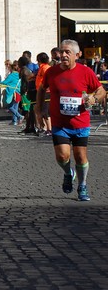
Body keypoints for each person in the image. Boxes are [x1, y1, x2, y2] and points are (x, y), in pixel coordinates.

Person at [35, 39, 106, 202]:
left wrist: (94, 99)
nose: (63, 55)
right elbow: (41, 89)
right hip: (60, 124)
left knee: (80, 157)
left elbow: (101, 90)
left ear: (77, 55)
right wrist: (38, 109)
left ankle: (82, 185)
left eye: (68, 52)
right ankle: (68, 173)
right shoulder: (52, 72)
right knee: (62, 156)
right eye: (62, 52)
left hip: (80, 123)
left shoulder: (86, 72)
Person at [0, 60, 23, 125]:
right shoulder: (19, 75)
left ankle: (19, 116)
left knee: (10, 107)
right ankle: (14, 121)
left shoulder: (12, 75)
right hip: (18, 92)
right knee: (15, 107)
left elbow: (4, 82)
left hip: (13, 93)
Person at [35, 52, 52, 136]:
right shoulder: (42, 67)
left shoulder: (45, 68)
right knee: (42, 110)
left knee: (45, 111)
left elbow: (48, 79)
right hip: (42, 92)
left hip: (46, 92)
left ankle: (49, 129)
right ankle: (45, 128)